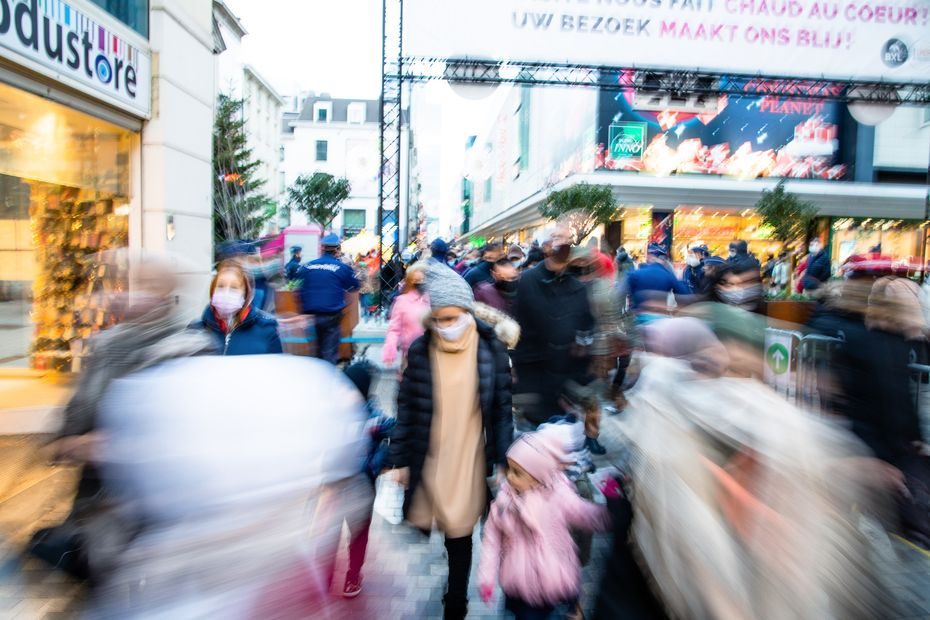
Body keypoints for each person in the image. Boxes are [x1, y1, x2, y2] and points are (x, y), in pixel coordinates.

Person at [30, 258, 215, 585]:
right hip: (97, 509)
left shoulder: (189, 349)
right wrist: (63, 441)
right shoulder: (107, 344)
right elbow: (78, 409)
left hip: (159, 518)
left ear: (169, 294)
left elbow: (190, 435)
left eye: (149, 286)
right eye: (132, 285)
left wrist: (113, 448)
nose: (136, 294)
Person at [388, 266, 514, 620]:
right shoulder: (421, 350)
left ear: (468, 312)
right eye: (439, 319)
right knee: (440, 526)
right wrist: (398, 460)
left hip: (470, 458)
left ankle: (455, 601)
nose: (445, 326)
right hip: (430, 456)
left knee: (460, 534)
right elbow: (407, 407)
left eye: (453, 318)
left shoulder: (491, 349)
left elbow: (503, 410)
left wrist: (505, 459)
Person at [477, 432, 611, 619]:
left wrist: (609, 513)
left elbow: (583, 513)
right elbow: (492, 540)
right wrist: (486, 576)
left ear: (537, 476)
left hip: (554, 586)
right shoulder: (504, 502)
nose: (509, 476)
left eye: (517, 472)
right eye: (509, 468)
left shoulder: (558, 496)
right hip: (517, 587)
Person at [513, 226, 594, 429]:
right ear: (546, 246)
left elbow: (585, 330)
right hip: (534, 379)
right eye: (557, 238)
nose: (562, 244)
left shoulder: (577, 287)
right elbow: (517, 328)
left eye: (567, 240)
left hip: (565, 383)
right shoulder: (528, 281)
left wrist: (580, 378)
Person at [340, 362, 395, 598]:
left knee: (359, 532)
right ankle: (324, 574)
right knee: (329, 532)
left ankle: (353, 574)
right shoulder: (334, 415)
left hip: (363, 484)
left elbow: (396, 430)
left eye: (350, 389)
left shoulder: (373, 417)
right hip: (337, 483)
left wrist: (381, 461)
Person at [191, 260, 282, 355]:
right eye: (221, 286)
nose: (226, 292)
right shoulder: (197, 330)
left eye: (234, 287)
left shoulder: (267, 329)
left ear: (245, 295)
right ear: (212, 291)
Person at [297, 233, 360, 364]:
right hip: (331, 315)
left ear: (322, 249)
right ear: (337, 250)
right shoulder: (342, 268)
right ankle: (326, 377)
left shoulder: (307, 266)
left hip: (310, 316)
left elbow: (297, 284)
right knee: (329, 352)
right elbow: (355, 285)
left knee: (314, 351)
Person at [620, 243, 688, 323]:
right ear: (664, 260)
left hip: (638, 318)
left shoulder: (635, 274)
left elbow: (620, 293)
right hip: (659, 321)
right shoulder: (668, 276)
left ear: (650, 256)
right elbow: (684, 294)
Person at [382, 263, 430, 367]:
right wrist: (390, 350)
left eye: (423, 280)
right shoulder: (402, 301)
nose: (421, 283)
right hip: (410, 354)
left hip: (431, 354)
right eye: (417, 280)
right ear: (411, 281)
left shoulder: (431, 300)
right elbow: (394, 329)